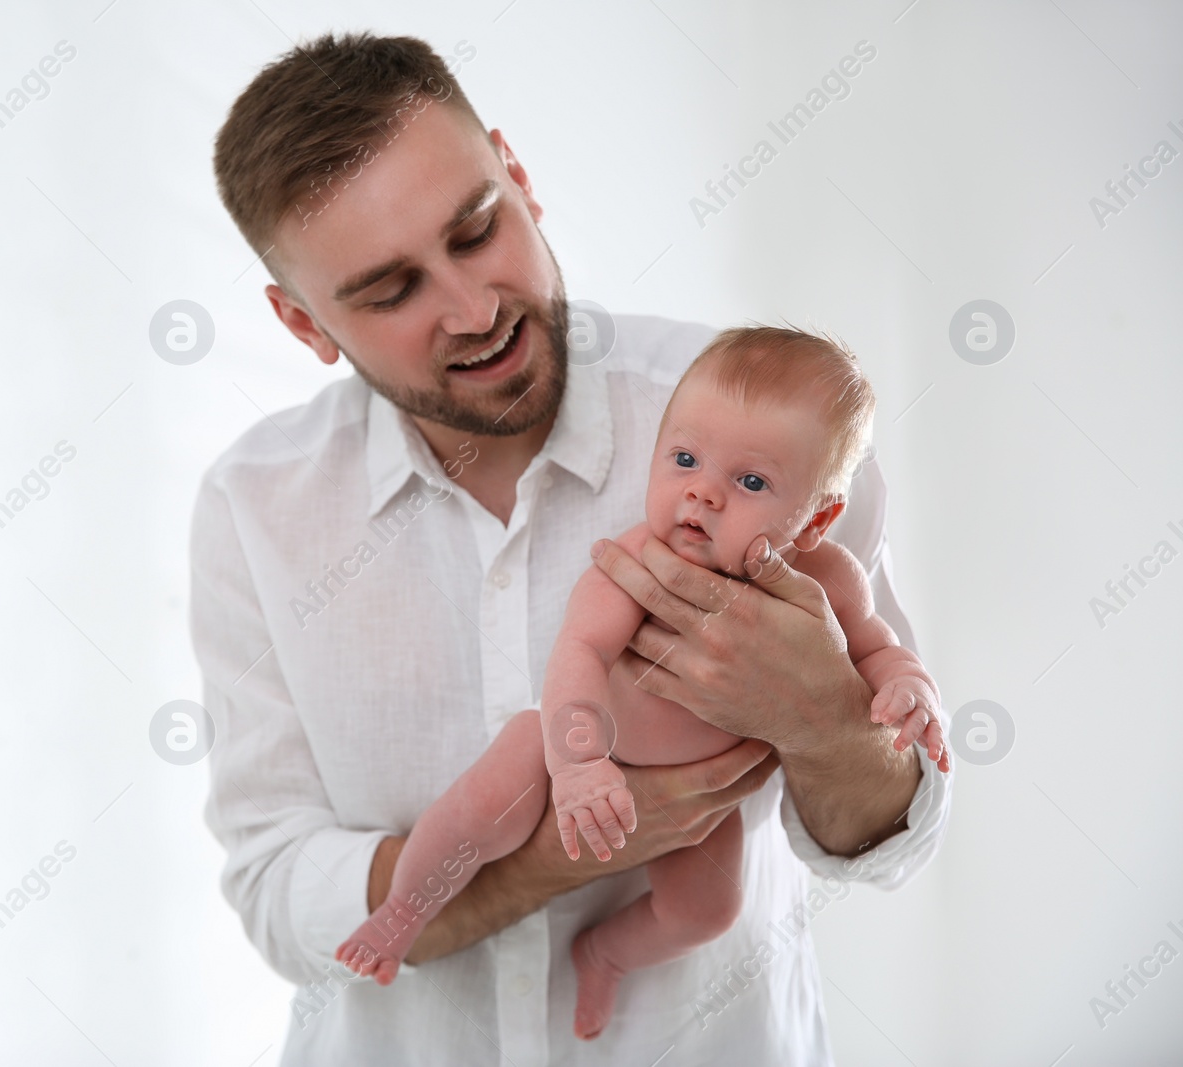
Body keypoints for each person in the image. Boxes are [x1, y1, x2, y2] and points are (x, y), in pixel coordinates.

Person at [192, 31, 951, 1065]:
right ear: (303, 324)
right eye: (389, 290)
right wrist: (540, 857)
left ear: (517, 174)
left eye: (474, 230)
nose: (472, 310)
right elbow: (279, 891)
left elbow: (897, 838)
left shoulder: (772, 429)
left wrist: (823, 722)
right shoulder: (254, 505)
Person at [333, 326, 951, 1042]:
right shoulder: (642, 562)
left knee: (706, 913)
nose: (703, 493)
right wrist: (578, 763)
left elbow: (878, 651)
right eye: (685, 459)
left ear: (817, 516)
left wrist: (911, 687)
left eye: (751, 482)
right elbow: (579, 656)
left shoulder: (831, 583)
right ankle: (402, 910)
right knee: (478, 814)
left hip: (705, 797)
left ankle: (606, 953)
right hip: (566, 746)